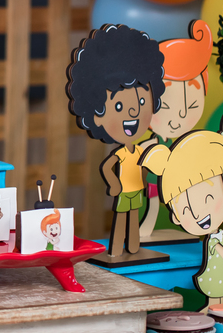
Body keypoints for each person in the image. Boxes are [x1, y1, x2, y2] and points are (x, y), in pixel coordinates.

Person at [66, 24, 165, 258]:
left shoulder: (139, 150)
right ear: (96, 115)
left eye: (143, 102)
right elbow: (107, 167)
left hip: (136, 190)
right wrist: (114, 184)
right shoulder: (120, 153)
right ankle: (117, 249)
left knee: (133, 218)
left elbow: (142, 167)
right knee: (121, 218)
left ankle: (133, 247)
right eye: (119, 106)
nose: (134, 112)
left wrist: (144, 179)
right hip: (123, 191)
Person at [141, 108, 223, 308]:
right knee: (216, 303)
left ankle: (211, 314)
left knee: (217, 303)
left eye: (209, 198)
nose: (197, 213)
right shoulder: (216, 240)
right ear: (175, 217)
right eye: (185, 209)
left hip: (217, 277)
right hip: (215, 277)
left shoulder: (216, 238)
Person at [142, 19, 213, 237]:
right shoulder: (155, 142)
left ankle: (193, 222)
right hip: (155, 179)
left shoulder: (190, 144)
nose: (181, 115)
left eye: (192, 105)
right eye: (165, 106)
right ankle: (149, 221)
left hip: (184, 181)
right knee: (153, 199)